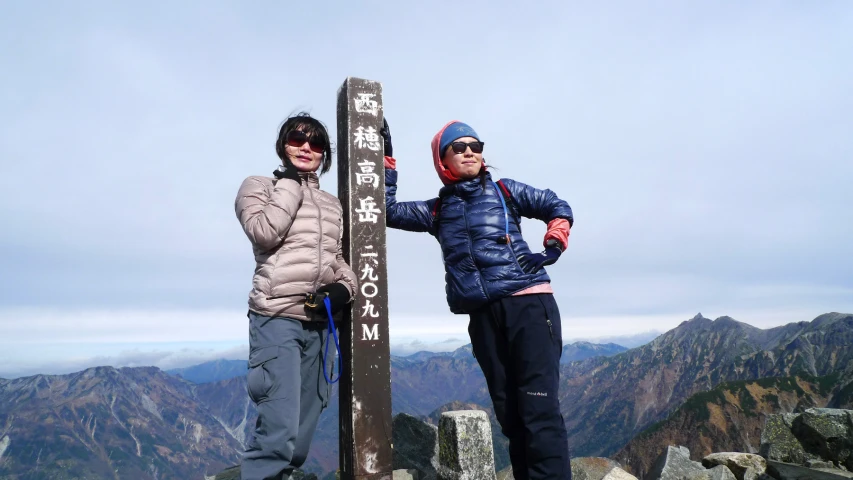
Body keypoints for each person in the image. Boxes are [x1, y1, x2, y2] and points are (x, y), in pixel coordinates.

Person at [381, 119, 574, 480]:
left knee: (539, 409)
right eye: (458, 147)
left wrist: (552, 246)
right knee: (510, 413)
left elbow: (557, 206)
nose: (469, 151)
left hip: (528, 303)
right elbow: (386, 211)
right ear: (443, 160)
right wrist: (386, 161)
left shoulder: (504, 191)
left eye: (476, 145)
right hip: (483, 316)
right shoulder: (437, 211)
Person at [235, 112, 357, 480]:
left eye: (316, 142)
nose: (306, 147)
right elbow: (264, 233)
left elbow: (337, 260)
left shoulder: (331, 204)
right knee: (279, 426)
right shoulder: (259, 186)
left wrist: (343, 288)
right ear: (282, 145)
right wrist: (290, 182)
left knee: (306, 423)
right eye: (297, 139)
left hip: (320, 323)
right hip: (277, 316)